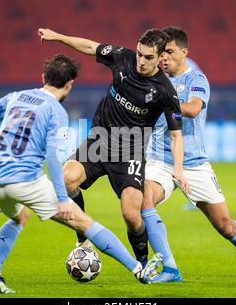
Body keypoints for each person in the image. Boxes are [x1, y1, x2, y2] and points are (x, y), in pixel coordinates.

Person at [0, 55, 162, 293]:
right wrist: (63, 199)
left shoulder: (16, 96)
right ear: (70, 84)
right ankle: (140, 270)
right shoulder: (56, 112)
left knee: (19, 217)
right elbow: (52, 158)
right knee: (86, 223)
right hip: (24, 181)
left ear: (43, 78)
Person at [38, 28, 188, 265]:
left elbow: (176, 135)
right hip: (99, 140)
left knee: (131, 213)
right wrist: (58, 36)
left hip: (130, 152)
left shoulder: (165, 92)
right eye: (139, 54)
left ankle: (142, 262)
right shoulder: (123, 57)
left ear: (160, 58)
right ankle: (83, 238)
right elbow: (90, 46)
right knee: (66, 179)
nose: (140, 61)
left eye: (148, 57)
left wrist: (178, 168)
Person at [143, 27, 236, 283]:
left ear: (184, 52)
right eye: (161, 53)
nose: (163, 57)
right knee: (144, 201)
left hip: (193, 163)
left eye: (169, 52)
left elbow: (193, 109)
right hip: (159, 160)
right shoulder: (154, 78)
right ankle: (169, 268)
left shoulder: (196, 79)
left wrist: (166, 100)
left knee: (225, 225)